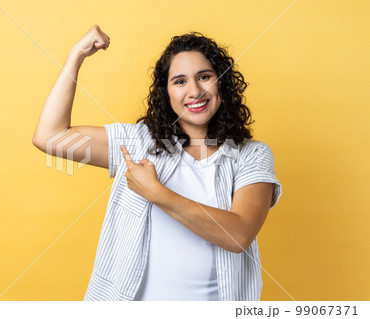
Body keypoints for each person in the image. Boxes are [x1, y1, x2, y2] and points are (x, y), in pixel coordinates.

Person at [32, 25, 282, 301]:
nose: (195, 91)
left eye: (204, 76)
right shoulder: (139, 142)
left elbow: (239, 234)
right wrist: (76, 55)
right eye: (180, 81)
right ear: (166, 93)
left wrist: (157, 193)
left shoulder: (252, 155)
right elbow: (51, 137)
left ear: (221, 82)